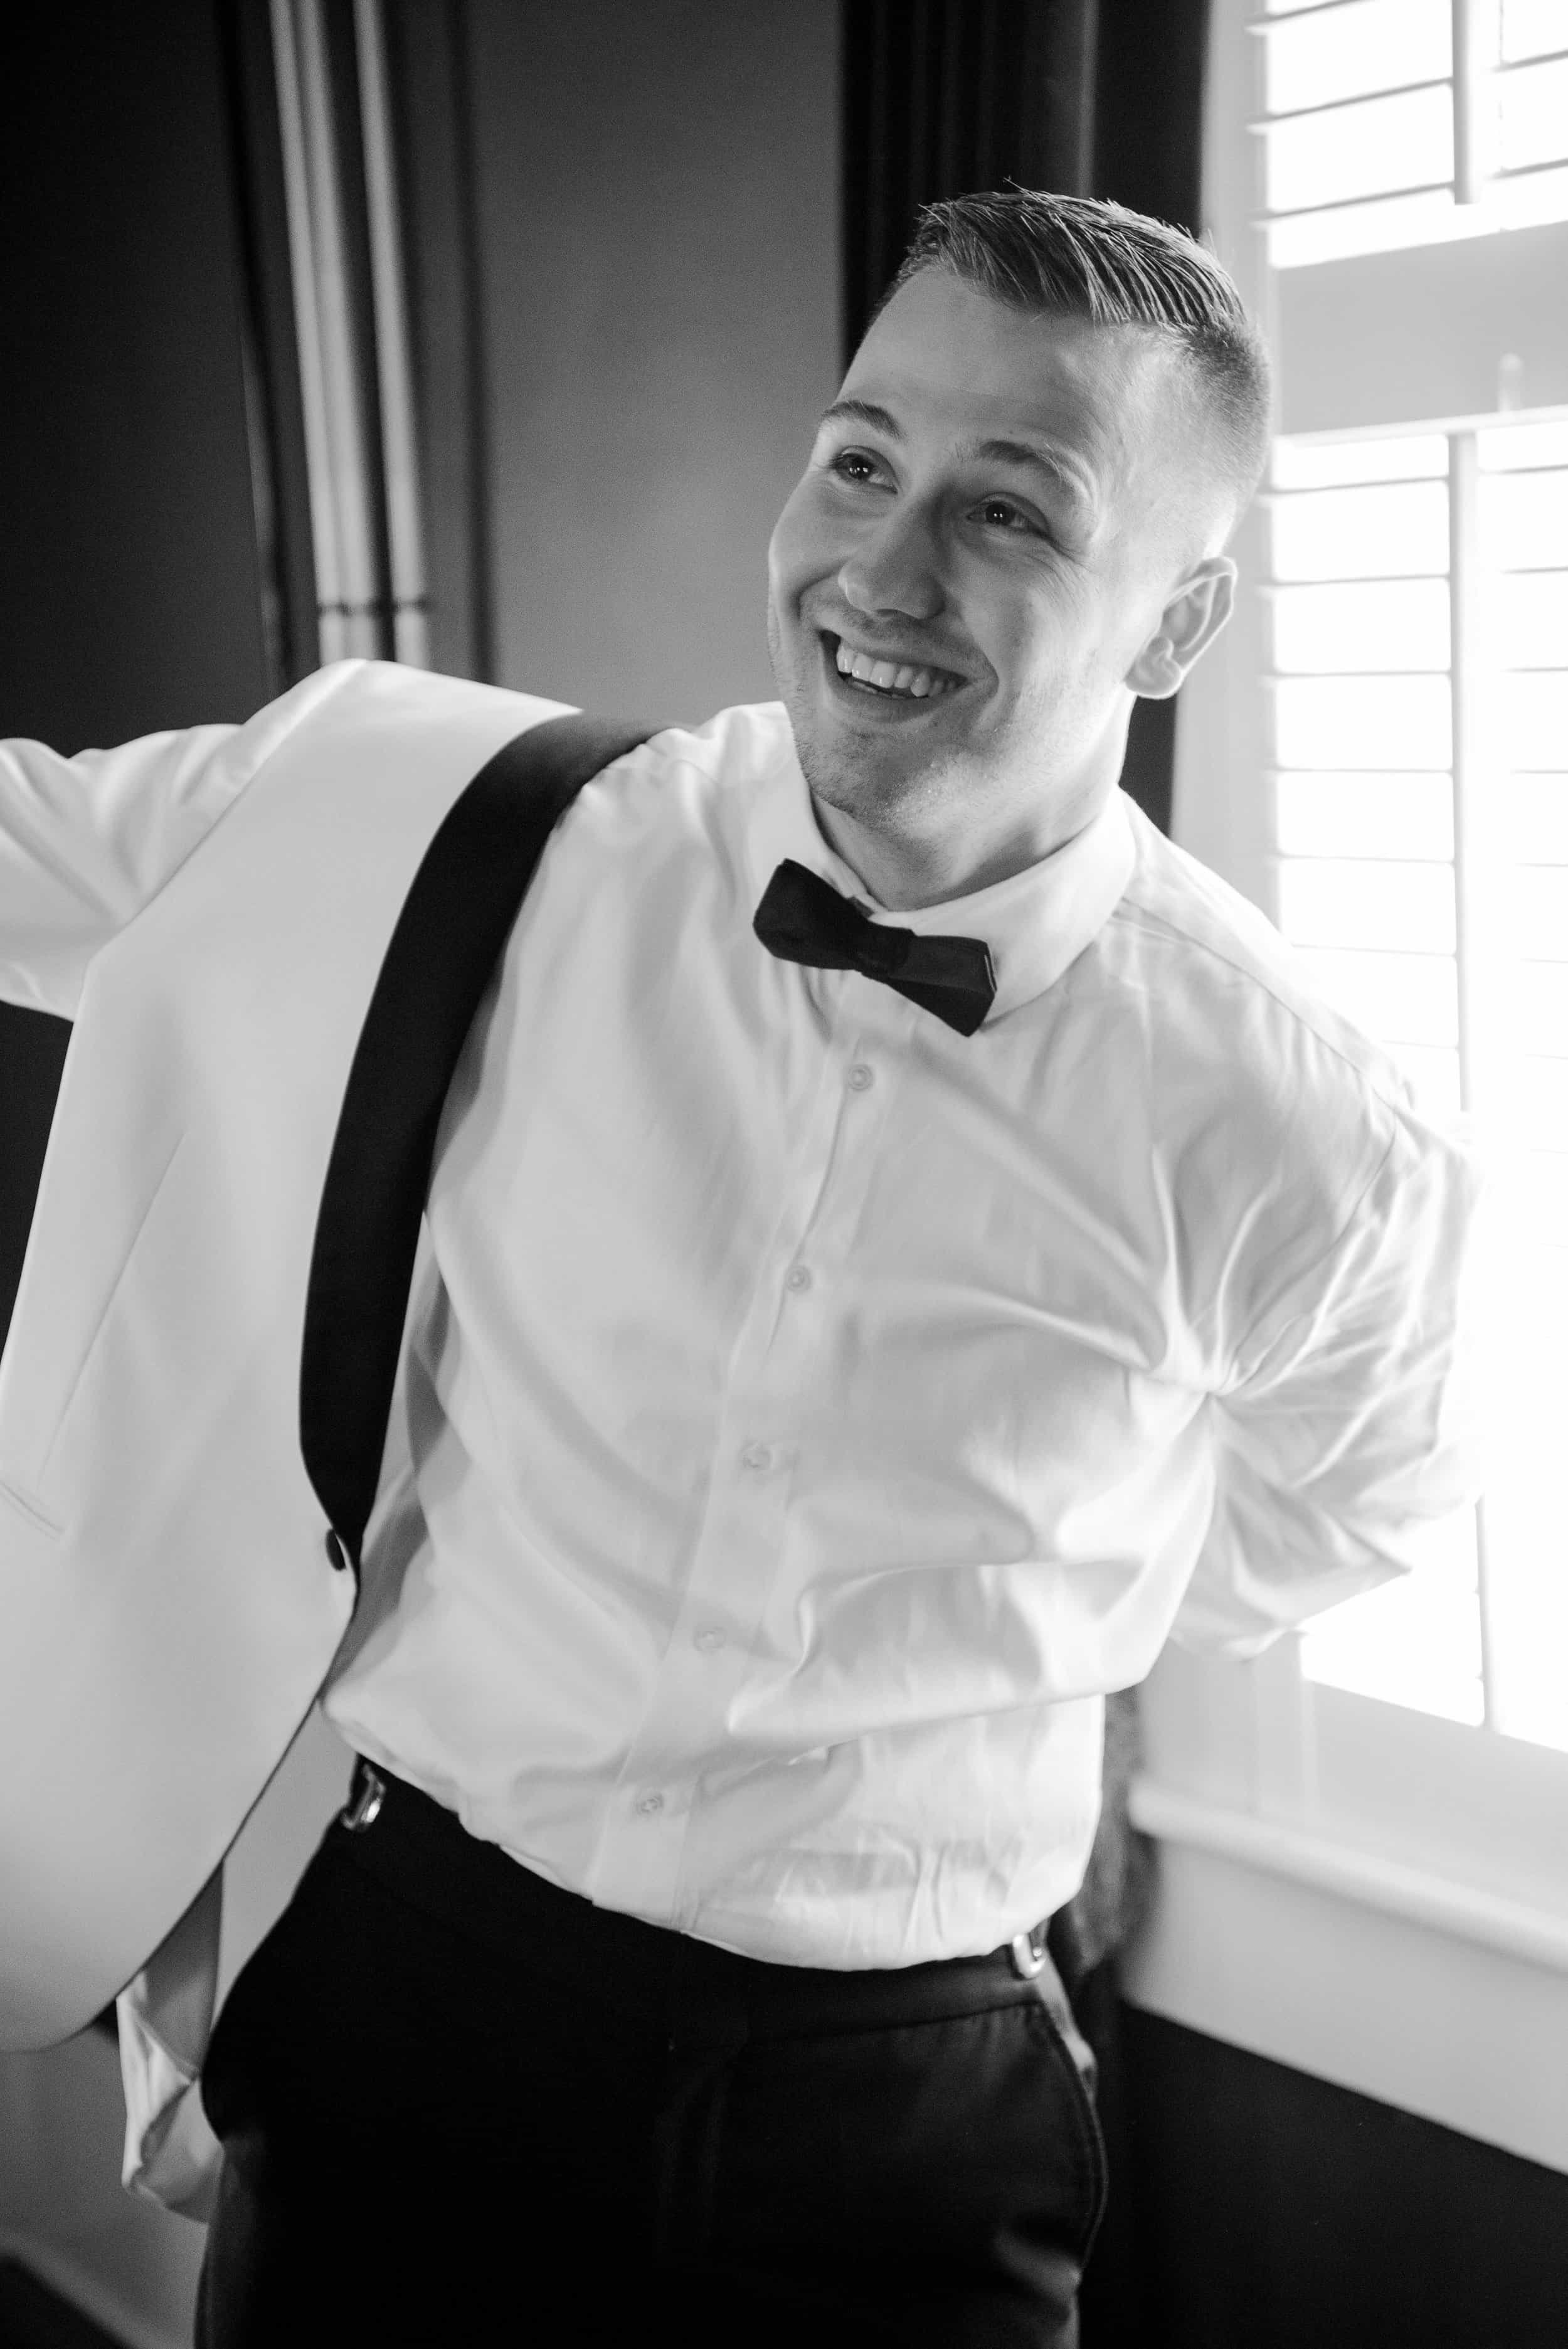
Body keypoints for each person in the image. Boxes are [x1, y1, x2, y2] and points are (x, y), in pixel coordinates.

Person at [0, 191, 1481, 2347]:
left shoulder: (1314, 1131)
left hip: (902, 2104)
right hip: (412, 1995)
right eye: (860, 458)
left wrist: (1012, 1588)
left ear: (1176, 623)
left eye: (1009, 509)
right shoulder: (445, 830)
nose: (879, 573)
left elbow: (1351, 1501)